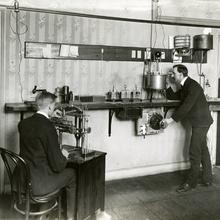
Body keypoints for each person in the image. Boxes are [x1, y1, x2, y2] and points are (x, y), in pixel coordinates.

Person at [18, 92, 76, 219]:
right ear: (50, 107)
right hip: (39, 185)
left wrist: (49, 119)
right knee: (71, 174)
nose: (54, 108)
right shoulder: (49, 128)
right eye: (54, 106)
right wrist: (64, 155)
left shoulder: (23, 124)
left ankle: (43, 212)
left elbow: (38, 130)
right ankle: (71, 217)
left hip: (22, 180)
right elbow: (57, 166)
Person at [163, 64, 213, 193]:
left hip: (201, 122)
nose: (172, 75)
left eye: (173, 73)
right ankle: (207, 179)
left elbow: (186, 107)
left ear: (181, 74)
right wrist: (167, 84)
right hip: (200, 121)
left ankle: (190, 184)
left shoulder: (193, 86)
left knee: (194, 151)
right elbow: (174, 96)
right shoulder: (186, 85)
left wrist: (170, 120)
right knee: (202, 148)